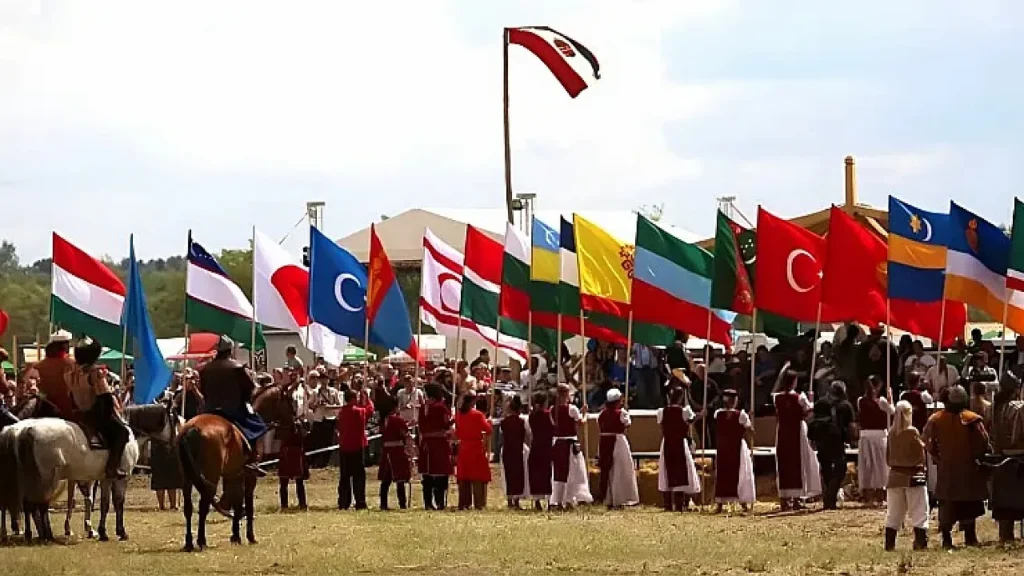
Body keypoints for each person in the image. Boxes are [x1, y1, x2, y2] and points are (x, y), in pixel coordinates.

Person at [924, 385, 990, 548]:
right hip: (967, 470)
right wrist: (978, 457)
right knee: (968, 504)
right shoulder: (973, 419)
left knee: (947, 504)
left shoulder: (936, 419)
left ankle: (947, 539)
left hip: (946, 471)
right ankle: (970, 537)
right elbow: (983, 442)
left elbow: (927, 442)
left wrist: (938, 458)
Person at [198, 336, 267, 478]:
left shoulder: (205, 369)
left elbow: (203, 389)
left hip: (209, 410)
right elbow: (249, 388)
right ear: (230, 350)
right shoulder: (238, 367)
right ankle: (252, 461)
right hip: (233, 410)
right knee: (259, 426)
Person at [66, 337, 131, 479]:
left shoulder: (70, 374)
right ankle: (112, 467)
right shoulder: (96, 373)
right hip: (95, 414)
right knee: (122, 432)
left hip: (77, 414)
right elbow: (105, 397)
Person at [773, 364, 821, 510]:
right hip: (797, 430)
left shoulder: (777, 397)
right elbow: (809, 414)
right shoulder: (800, 397)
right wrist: (811, 402)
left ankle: (785, 497)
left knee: (785, 462)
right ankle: (797, 497)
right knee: (798, 462)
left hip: (782, 431)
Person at [884, 400, 929, 551]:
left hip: (895, 476)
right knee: (919, 511)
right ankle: (920, 542)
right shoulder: (912, 432)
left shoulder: (891, 432)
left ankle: (889, 544)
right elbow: (920, 455)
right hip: (913, 476)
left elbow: (888, 456)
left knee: (894, 514)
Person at [987, 373, 1024, 543]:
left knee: (1004, 503)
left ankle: (1005, 536)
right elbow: (1017, 436)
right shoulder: (1018, 408)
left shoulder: (992, 408)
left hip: (999, 456)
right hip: (1018, 457)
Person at [550, 384, 594, 509]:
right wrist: (585, 414)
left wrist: (579, 412)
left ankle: (559, 499)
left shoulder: (553, 409)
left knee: (560, 472)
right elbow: (580, 422)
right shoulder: (571, 408)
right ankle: (569, 499)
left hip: (558, 443)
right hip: (569, 444)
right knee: (573, 472)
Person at [658, 386, 701, 511]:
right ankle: (678, 504)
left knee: (668, 470)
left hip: (667, 442)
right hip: (679, 442)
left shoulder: (662, 411)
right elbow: (691, 420)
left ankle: (668, 504)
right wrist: (701, 415)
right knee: (680, 470)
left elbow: (661, 426)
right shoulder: (684, 411)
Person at [714, 389, 755, 512]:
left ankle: (720, 503)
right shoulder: (741, 415)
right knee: (740, 473)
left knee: (723, 473)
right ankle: (742, 503)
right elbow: (750, 430)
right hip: (737, 447)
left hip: (723, 447)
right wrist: (749, 419)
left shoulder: (718, 414)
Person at [597, 388, 639, 508]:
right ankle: (620, 497)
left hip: (604, 442)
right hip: (618, 442)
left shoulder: (602, 414)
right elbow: (627, 425)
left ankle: (607, 496)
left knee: (608, 469)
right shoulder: (621, 413)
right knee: (620, 469)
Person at [857, 375, 894, 506]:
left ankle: (867, 493)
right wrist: (891, 399)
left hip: (865, 435)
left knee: (867, 464)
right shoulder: (881, 401)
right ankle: (879, 493)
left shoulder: (860, 400)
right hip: (878, 435)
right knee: (880, 465)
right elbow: (892, 411)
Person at [336, 388, 374, 510]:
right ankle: (360, 502)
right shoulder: (357, 412)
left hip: (344, 447)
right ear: (353, 399)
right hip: (357, 446)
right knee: (358, 476)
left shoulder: (341, 412)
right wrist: (367, 398)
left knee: (345, 477)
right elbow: (370, 410)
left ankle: (343, 502)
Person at [454, 391, 492, 510]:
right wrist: (488, 422)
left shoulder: (459, 414)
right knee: (478, 476)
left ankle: (464, 502)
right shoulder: (477, 414)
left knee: (464, 476)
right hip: (475, 447)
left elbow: (458, 432)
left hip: (464, 447)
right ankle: (479, 502)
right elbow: (488, 429)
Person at [418, 382, 453, 510]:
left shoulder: (423, 408)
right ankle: (440, 502)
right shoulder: (441, 408)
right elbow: (445, 425)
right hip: (439, 443)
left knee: (427, 476)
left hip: (426, 444)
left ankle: (428, 502)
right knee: (440, 474)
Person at [378, 397, 412, 510]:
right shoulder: (397, 420)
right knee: (400, 479)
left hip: (386, 450)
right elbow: (405, 433)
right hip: (396, 450)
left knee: (385, 480)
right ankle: (402, 503)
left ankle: (383, 504)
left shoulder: (383, 420)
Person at [35, 330, 75, 419]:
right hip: (65, 408)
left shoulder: (39, 365)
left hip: (44, 406)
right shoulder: (71, 364)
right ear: (64, 346)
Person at [500, 395, 530, 509]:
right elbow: (528, 436)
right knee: (518, 475)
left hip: (508, 450)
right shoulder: (522, 422)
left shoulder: (504, 422)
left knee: (509, 474)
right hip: (518, 450)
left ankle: (509, 499)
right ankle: (516, 499)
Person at [527, 391, 554, 510]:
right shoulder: (547, 414)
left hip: (536, 446)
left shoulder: (532, 415)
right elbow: (553, 427)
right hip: (546, 446)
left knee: (536, 474)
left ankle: (537, 500)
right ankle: (549, 500)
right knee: (546, 473)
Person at [308, 370, 342, 468]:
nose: (323, 382)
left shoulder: (334, 391)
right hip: (319, 419)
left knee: (328, 441)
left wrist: (330, 407)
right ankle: (315, 462)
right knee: (317, 441)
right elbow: (310, 405)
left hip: (330, 419)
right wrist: (317, 404)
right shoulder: (315, 392)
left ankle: (325, 462)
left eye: (325, 379)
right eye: (321, 379)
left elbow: (340, 405)